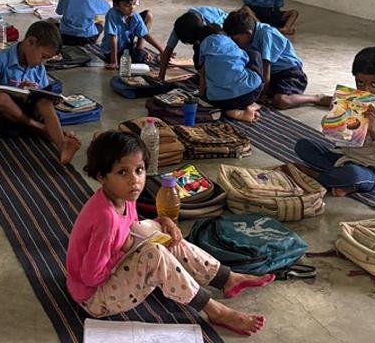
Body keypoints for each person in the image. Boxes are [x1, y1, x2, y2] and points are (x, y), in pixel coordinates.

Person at [66, 131, 271, 336]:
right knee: (154, 254)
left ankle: (226, 278)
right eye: (122, 172)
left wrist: (163, 221)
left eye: (139, 170)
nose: (134, 180)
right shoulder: (105, 218)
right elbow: (90, 276)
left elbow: (131, 228)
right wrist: (124, 250)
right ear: (102, 177)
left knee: (165, 234)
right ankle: (214, 310)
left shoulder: (124, 196)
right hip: (94, 298)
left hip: (108, 268)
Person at [295, 47, 375, 197]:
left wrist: (374, 130)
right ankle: (341, 182)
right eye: (360, 82)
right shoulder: (355, 101)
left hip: (371, 168)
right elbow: (336, 137)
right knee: (302, 146)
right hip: (343, 157)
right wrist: (334, 118)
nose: (366, 89)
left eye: (374, 84)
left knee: (353, 174)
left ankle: (318, 176)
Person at [0, 21, 81, 164]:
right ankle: (43, 130)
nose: (43, 62)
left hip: (27, 114)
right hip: (2, 120)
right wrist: (15, 91)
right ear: (30, 42)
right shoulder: (0, 59)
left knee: (45, 103)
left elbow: (42, 97)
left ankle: (62, 145)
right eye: (43, 56)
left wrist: (45, 96)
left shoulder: (39, 68)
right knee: (0, 99)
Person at [223, 10, 331, 109]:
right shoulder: (245, 37)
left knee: (280, 101)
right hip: (270, 75)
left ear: (248, 33)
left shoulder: (267, 34)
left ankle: (316, 98)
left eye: (236, 40)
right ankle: (269, 91)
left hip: (290, 73)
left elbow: (266, 68)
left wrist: (262, 94)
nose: (234, 43)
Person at [196, 24, 263, 123]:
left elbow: (203, 75)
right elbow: (245, 59)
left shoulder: (202, 48)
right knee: (254, 55)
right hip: (249, 93)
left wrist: (201, 97)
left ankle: (231, 111)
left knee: (213, 91)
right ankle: (248, 104)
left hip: (220, 101)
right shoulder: (229, 42)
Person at [101, 0, 164, 70]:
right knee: (135, 59)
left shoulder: (134, 16)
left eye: (134, 3)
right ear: (116, 5)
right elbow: (113, 38)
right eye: (127, 5)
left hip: (126, 47)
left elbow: (145, 34)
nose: (132, 8)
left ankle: (141, 51)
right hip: (112, 51)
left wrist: (162, 50)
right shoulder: (112, 15)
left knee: (140, 57)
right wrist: (113, 61)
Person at [158, 6, 229, 80]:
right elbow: (168, 50)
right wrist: (161, 76)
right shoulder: (181, 26)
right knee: (200, 59)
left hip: (229, 33)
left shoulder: (216, 28)